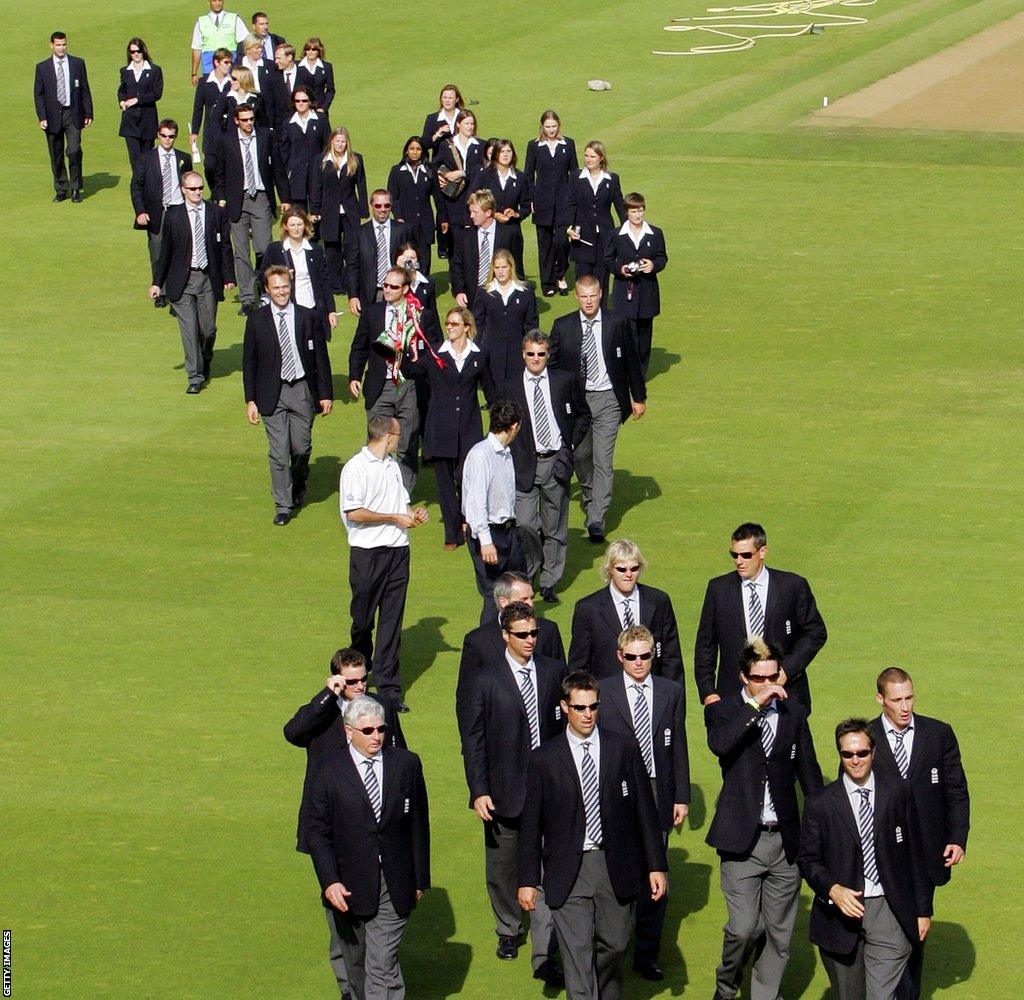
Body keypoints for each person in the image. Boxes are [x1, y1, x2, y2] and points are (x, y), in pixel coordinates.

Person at [518, 671, 668, 1000]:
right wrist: (528, 879)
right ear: (565, 707)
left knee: (615, 945)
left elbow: (645, 809)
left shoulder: (624, 747)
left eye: (593, 707)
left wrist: (656, 866)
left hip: (614, 865)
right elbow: (532, 825)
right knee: (577, 953)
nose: (588, 714)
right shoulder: (544, 759)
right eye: (580, 707)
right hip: (567, 868)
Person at [284, 648, 407, 1000]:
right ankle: (350, 988)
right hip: (329, 827)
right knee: (341, 912)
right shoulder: (324, 712)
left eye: (362, 679)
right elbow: (293, 732)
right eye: (349, 680)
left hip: (373, 824)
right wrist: (328, 695)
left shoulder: (378, 711)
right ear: (337, 679)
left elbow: (398, 755)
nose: (358, 686)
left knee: (376, 908)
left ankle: (373, 983)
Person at [455, 602, 567, 986]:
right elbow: (473, 739)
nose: (531, 640)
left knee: (548, 866)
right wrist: (479, 790)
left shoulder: (554, 672)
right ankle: (508, 928)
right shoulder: (484, 679)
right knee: (503, 866)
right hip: (504, 789)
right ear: (505, 635)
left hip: (550, 788)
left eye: (534, 633)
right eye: (522, 635)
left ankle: (546, 947)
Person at [705, 638, 823, 1000]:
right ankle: (726, 986)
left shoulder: (795, 714)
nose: (771, 685)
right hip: (741, 840)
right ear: (743, 677)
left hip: (785, 842)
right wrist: (756, 706)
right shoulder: (724, 711)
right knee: (742, 929)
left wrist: (822, 833)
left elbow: (810, 776)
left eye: (775, 677)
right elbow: (721, 745)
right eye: (760, 678)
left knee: (778, 935)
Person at [306, 695, 430, 1000]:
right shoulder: (327, 772)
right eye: (368, 731)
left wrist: (419, 878)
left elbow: (418, 823)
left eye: (381, 728)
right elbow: (317, 833)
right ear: (349, 731)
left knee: (382, 962)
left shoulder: (406, 764)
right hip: (349, 882)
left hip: (395, 879)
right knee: (357, 963)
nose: (376, 736)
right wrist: (330, 881)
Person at [798, 719, 933, 1000]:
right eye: (847, 754)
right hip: (839, 917)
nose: (855, 760)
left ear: (873, 752)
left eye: (862, 753)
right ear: (840, 754)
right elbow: (808, 859)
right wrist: (832, 889)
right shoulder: (820, 803)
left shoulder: (898, 792)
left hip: (889, 908)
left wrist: (923, 910)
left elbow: (915, 855)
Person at [598, 625, 691, 982]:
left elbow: (678, 744)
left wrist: (680, 794)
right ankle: (609, 943)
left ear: (655, 655)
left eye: (646, 655)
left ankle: (647, 952)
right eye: (632, 656)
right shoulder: (603, 691)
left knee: (657, 867)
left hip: (656, 790)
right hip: (613, 791)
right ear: (619, 656)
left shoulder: (671, 691)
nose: (639, 663)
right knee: (614, 865)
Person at [870, 668, 970, 1000]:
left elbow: (956, 791)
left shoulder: (938, 734)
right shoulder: (865, 739)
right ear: (880, 699)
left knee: (916, 934)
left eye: (909, 697)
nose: (905, 706)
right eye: (896, 699)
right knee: (886, 932)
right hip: (880, 855)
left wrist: (957, 837)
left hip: (926, 854)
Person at [339, 416, 430, 712]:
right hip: (367, 554)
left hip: (397, 552)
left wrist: (411, 514)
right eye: (398, 434)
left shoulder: (393, 466)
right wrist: (393, 517)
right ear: (388, 436)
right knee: (363, 621)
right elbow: (354, 512)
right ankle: (355, 679)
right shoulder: (355, 468)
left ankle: (390, 691)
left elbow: (400, 505)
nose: (400, 439)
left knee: (392, 622)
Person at [549, 275, 646, 542]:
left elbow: (632, 361)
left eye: (593, 295)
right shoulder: (563, 326)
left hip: (608, 400)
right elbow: (552, 369)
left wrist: (638, 397)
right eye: (584, 296)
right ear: (576, 297)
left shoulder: (618, 323)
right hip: (577, 403)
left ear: (601, 294)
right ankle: (592, 496)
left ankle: (596, 519)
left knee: (603, 459)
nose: (589, 301)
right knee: (581, 455)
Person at [694, 522, 828, 712]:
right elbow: (705, 645)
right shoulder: (718, 589)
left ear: (762, 551)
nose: (739, 561)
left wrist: (786, 672)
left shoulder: (792, 586)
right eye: (735, 555)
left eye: (746, 555)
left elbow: (816, 632)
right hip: (734, 695)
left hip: (785, 692)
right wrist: (708, 692)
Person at [498, 330, 585, 603]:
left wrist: (568, 448)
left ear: (548, 355)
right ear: (523, 354)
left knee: (555, 526)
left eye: (541, 354)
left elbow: (583, 415)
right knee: (524, 525)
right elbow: (500, 424)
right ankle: (530, 573)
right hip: (524, 463)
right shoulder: (509, 385)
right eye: (531, 354)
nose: (536, 359)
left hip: (555, 461)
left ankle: (549, 582)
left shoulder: (564, 380)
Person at [243, 265, 333, 524]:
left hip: (302, 389)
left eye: (285, 287)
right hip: (272, 393)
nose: (281, 292)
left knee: (301, 448)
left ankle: (298, 483)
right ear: (268, 290)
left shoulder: (307, 317)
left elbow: (321, 358)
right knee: (279, 452)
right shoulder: (257, 319)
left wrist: (325, 393)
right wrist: (250, 400)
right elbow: (249, 362)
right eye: (276, 288)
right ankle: (282, 505)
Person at [401, 307, 491, 549]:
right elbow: (412, 371)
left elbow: (491, 390)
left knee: (465, 479)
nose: (449, 327)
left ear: (466, 327)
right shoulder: (435, 356)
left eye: (454, 323)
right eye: (448, 323)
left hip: (469, 429)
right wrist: (402, 347)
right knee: (444, 484)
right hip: (440, 428)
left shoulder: (479, 356)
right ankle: (452, 533)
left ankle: (466, 519)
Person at [148, 171, 235, 393]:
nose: (197, 192)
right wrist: (157, 282)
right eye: (193, 189)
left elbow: (225, 246)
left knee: (207, 329)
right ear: (183, 190)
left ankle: (205, 357)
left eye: (200, 188)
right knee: (188, 330)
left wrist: (229, 276)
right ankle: (194, 376)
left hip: (208, 278)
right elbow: (164, 251)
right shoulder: (174, 216)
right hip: (182, 281)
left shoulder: (215, 213)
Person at [348, 266, 432, 493]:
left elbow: (433, 352)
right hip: (379, 385)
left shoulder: (420, 315)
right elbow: (359, 346)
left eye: (393, 286)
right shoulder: (372, 312)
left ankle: (402, 495)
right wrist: (354, 375)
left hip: (409, 386)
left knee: (407, 444)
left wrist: (420, 372)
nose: (387, 289)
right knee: (377, 442)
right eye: (385, 285)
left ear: (405, 289)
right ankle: (375, 490)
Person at [569, 539, 685, 682]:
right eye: (622, 569)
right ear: (609, 569)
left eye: (634, 569)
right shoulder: (588, 609)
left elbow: (672, 658)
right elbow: (579, 665)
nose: (628, 575)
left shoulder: (659, 601)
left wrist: (673, 699)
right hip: (607, 698)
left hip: (652, 694)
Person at [212, 102, 284, 316]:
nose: (248, 123)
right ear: (236, 120)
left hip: (260, 197)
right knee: (241, 252)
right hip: (237, 200)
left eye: (251, 119)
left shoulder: (264, 136)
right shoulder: (226, 141)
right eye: (244, 120)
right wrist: (221, 198)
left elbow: (277, 168)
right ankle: (247, 299)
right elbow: (219, 174)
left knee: (264, 247)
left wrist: (285, 198)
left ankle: (263, 288)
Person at [462, 398, 527, 625]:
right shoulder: (481, 455)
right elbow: (476, 502)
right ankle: (487, 643)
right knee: (494, 595)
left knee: (519, 587)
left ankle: (515, 634)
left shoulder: (505, 453)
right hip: (489, 534)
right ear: (514, 426)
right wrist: (485, 540)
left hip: (509, 531)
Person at [131, 119, 192, 309]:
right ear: (158, 135)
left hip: (178, 210)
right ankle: (161, 291)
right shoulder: (146, 158)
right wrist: (140, 211)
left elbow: (190, 184)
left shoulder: (183, 158)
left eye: (171, 136)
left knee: (180, 252)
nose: (167, 139)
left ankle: (177, 292)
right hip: (157, 212)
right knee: (157, 252)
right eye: (164, 135)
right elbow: (136, 186)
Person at [608, 192, 667, 377]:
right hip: (624, 294)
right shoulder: (616, 235)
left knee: (644, 338)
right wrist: (621, 269)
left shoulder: (655, 233)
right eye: (634, 211)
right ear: (627, 212)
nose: (638, 214)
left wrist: (653, 265)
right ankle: (628, 374)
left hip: (647, 293)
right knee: (627, 337)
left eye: (640, 210)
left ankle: (640, 376)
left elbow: (662, 258)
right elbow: (608, 260)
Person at [460, 571, 565, 674]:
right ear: (503, 602)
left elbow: (561, 675)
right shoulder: (478, 641)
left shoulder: (548, 630)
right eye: (524, 599)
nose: (530, 603)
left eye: (531, 598)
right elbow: (468, 687)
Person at [523, 110, 577, 297]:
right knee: (544, 244)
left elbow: (574, 173)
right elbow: (529, 175)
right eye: (548, 127)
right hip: (542, 203)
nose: (551, 130)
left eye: (554, 126)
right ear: (542, 127)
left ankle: (560, 274)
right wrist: (529, 199)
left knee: (562, 241)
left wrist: (574, 199)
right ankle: (548, 283)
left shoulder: (568, 145)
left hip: (564, 203)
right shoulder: (534, 146)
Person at [34, 31, 93, 203]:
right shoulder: (42, 67)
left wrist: (88, 112)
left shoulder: (77, 63)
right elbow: (39, 94)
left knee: (74, 151)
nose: (61, 48)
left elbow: (85, 89)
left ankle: (75, 188)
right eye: (58, 45)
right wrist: (42, 117)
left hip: (73, 113)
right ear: (51, 45)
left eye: (64, 44)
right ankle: (61, 188)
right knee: (56, 153)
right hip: (52, 116)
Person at [261, 208, 337, 340]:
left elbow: (325, 282)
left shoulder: (315, 250)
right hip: (287, 308)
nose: (296, 229)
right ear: (285, 226)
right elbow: (261, 276)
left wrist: (331, 310)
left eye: (299, 224)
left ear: (305, 225)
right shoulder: (275, 249)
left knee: (315, 350)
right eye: (292, 225)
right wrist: (280, 274)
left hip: (313, 308)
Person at [311, 128, 369, 294]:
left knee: (352, 247)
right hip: (328, 211)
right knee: (332, 249)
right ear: (331, 141)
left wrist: (364, 210)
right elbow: (316, 187)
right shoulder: (321, 160)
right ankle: (336, 285)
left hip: (350, 211)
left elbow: (361, 186)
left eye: (343, 141)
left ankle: (352, 283)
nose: (340, 144)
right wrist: (315, 210)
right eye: (337, 141)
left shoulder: (355, 159)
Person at [472, 250, 539, 387]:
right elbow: (478, 324)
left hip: (517, 350)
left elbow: (532, 324)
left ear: (511, 267)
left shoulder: (526, 292)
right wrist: (476, 349)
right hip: (492, 351)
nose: (500, 271)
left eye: (504, 267)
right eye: (497, 268)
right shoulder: (484, 292)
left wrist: (532, 349)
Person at [567, 140, 625, 297]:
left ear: (601, 158)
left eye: (592, 156)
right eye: (586, 155)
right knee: (584, 282)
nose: (588, 159)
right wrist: (569, 228)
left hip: (605, 240)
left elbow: (620, 207)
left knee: (602, 282)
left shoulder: (612, 180)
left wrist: (627, 232)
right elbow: (570, 205)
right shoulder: (575, 178)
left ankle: (603, 317)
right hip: (582, 239)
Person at [346, 191, 413, 315]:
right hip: (370, 293)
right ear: (372, 205)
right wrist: (353, 295)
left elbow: (412, 261)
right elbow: (352, 267)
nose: (383, 209)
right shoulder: (358, 233)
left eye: (386, 205)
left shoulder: (402, 230)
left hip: (396, 290)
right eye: (378, 206)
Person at [420, 83, 464, 259]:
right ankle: (444, 242)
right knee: (442, 205)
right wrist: (438, 134)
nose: (447, 100)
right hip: (440, 168)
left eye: (450, 97)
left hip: (460, 168)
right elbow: (424, 144)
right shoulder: (433, 118)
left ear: (457, 99)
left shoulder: (463, 116)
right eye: (444, 97)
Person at [472, 139, 529, 276]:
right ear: (495, 154)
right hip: (490, 230)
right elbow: (473, 200)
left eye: (509, 151)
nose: (505, 155)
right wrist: (493, 214)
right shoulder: (484, 175)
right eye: (502, 151)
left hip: (512, 232)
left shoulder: (520, 177)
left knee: (515, 270)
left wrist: (516, 214)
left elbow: (526, 206)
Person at [434, 109, 483, 263]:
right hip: (452, 202)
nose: (470, 127)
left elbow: (482, 172)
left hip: (474, 201)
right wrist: (440, 177)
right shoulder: (446, 145)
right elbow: (434, 166)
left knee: (473, 247)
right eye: (467, 123)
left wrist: (461, 173)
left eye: (472, 123)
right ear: (458, 124)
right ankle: (458, 286)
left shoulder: (480, 145)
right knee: (455, 250)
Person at [452, 189, 513, 310]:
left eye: (475, 212)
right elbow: (456, 265)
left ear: (488, 212)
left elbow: (516, 266)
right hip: (472, 298)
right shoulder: (465, 236)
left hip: (501, 297)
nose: (471, 216)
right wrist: (459, 290)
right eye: (471, 212)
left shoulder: (508, 235)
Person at [387, 137, 436, 275]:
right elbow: (392, 197)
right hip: (406, 222)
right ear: (406, 151)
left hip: (425, 222)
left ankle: (424, 287)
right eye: (412, 149)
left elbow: (437, 197)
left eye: (418, 149)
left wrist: (443, 218)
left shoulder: (429, 170)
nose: (415, 152)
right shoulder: (397, 171)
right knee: (407, 257)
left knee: (425, 256)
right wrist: (398, 216)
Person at [279, 86, 327, 212]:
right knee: (298, 216)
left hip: (317, 175)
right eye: (297, 101)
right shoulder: (288, 123)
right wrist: (285, 174)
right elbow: (284, 152)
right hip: (296, 177)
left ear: (310, 101)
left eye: (304, 100)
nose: (300, 103)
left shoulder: (321, 120)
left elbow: (327, 146)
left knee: (318, 215)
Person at [189, 46, 234, 180]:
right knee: (210, 165)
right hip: (211, 131)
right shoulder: (204, 82)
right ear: (216, 62)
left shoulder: (233, 82)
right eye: (226, 62)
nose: (229, 65)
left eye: (230, 62)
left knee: (228, 166)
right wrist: (195, 132)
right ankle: (215, 193)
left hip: (229, 130)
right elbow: (198, 108)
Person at [117, 38, 163, 167]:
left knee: (147, 160)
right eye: (132, 52)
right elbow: (122, 90)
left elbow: (157, 93)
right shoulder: (125, 71)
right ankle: (137, 187)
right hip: (130, 122)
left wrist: (137, 100)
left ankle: (147, 186)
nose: (135, 54)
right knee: (135, 161)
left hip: (147, 120)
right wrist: (121, 102)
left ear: (143, 51)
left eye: (138, 51)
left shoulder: (154, 70)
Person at [190, 0, 247, 83]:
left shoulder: (234, 19)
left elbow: (245, 43)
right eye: (214, 1)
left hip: (230, 67)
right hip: (209, 67)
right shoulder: (201, 22)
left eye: (219, 0)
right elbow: (196, 49)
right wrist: (194, 73)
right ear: (208, 2)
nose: (217, 3)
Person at [236, 34, 273, 127]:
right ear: (248, 49)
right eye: (257, 48)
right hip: (244, 107)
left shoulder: (269, 65)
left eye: (261, 47)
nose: (260, 50)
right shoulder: (238, 66)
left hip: (264, 108)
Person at [295, 38, 335, 122]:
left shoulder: (327, 67)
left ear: (319, 51)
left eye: (313, 49)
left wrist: (324, 108)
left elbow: (330, 90)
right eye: (307, 49)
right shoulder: (297, 66)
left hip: (319, 109)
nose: (310, 51)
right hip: (301, 109)